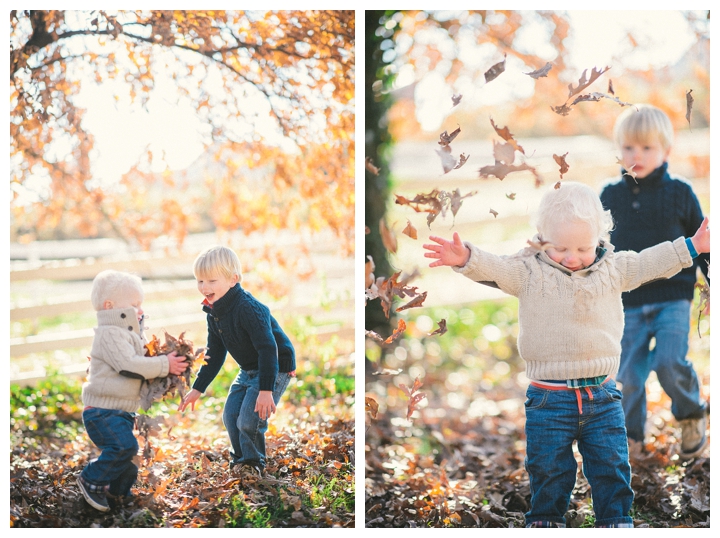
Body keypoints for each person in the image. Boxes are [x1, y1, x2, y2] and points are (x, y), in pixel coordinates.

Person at [423, 182, 710, 528]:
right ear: (542, 240)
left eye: (582, 248)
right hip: (549, 399)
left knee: (611, 464)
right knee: (548, 467)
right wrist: (467, 257)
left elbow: (651, 261)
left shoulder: (614, 268)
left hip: (602, 397)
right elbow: (495, 267)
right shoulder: (528, 271)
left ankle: (615, 519)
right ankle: (546, 519)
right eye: (560, 248)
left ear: (598, 240)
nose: (572, 257)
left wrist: (692, 246)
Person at [600, 104, 710, 460]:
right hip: (627, 300)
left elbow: (704, 244)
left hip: (672, 297)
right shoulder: (608, 197)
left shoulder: (680, 193)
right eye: (630, 147)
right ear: (619, 149)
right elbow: (595, 249)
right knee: (628, 374)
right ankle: (631, 436)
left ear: (666, 151)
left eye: (647, 148)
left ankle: (691, 413)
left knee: (668, 361)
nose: (637, 155)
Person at [179, 246, 296, 475]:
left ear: (233, 279)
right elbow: (215, 352)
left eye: (211, 281)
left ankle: (254, 465)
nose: (204, 287)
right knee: (231, 416)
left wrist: (265, 390)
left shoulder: (249, 309)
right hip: (249, 369)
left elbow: (268, 350)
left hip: (274, 367)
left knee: (248, 421)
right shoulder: (215, 311)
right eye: (200, 281)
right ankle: (241, 461)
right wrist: (198, 388)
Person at [79, 270, 188, 512]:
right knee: (123, 447)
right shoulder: (109, 334)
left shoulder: (129, 333)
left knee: (128, 461)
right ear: (110, 306)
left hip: (120, 410)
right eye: (134, 305)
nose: (140, 310)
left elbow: (142, 360)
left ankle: (117, 494)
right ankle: (91, 479)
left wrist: (166, 366)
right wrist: (164, 365)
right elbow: (129, 365)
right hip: (102, 411)